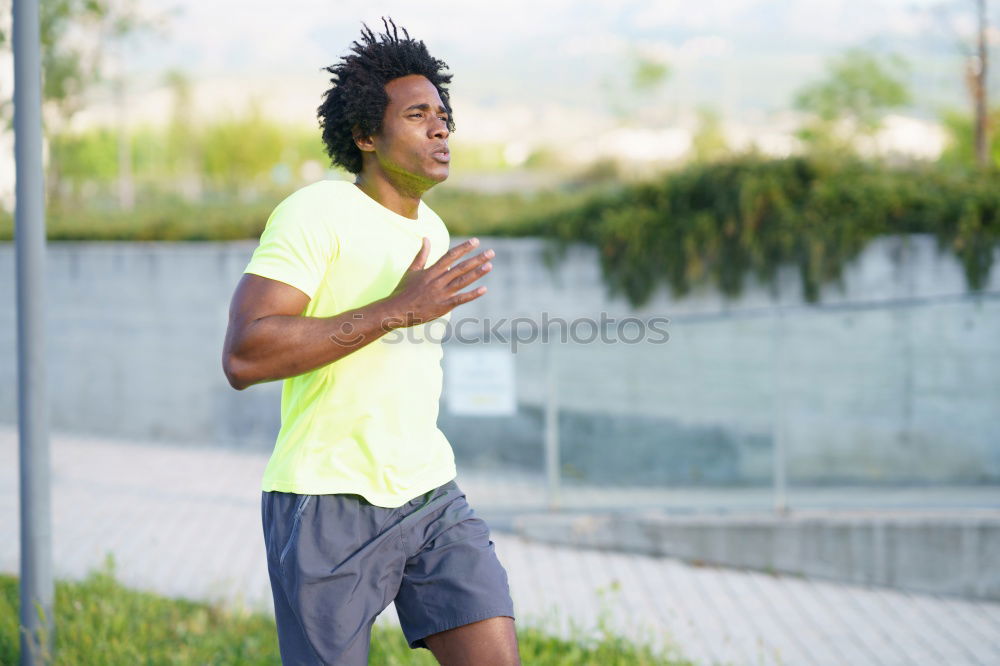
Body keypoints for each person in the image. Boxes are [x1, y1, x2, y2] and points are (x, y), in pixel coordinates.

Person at [221, 16, 520, 666]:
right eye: (418, 115)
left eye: (443, 114)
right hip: (327, 500)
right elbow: (245, 354)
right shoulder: (316, 211)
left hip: (428, 492)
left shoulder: (434, 231)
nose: (442, 128)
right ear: (366, 136)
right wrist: (394, 310)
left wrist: (403, 311)